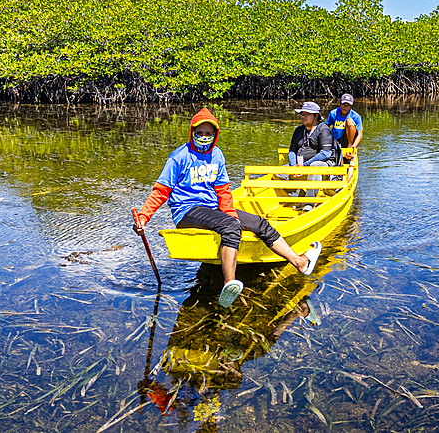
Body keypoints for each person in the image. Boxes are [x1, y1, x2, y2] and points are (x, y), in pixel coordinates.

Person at [133, 108, 322, 308]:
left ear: (215, 135)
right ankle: (229, 283)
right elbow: (161, 191)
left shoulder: (217, 155)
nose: (204, 138)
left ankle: (300, 262)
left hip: (213, 208)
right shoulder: (179, 157)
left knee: (260, 224)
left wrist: (230, 213)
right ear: (192, 133)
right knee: (231, 227)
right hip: (187, 210)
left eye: (208, 134)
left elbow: (223, 190)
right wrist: (144, 218)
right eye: (199, 134)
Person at [289, 102, 335, 208]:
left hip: (322, 165)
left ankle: (309, 201)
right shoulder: (298, 131)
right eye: (302, 114)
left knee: (315, 167)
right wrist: (294, 167)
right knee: (278, 174)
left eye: (306, 114)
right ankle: (298, 193)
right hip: (300, 166)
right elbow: (292, 151)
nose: (303, 116)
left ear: (316, 116)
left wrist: (305, 166)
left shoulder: (324, 130)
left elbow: (325, 153)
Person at [324, 94, 363, 161]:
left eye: (348, 105)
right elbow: (325, 128)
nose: (345, 107)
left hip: (348, 140)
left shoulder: (356, 116)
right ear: (340, 104)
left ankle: (349, 147)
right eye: (343, 104)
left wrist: (352, 147)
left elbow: (360, 134)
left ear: (350, 106)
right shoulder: (333, 113)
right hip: (335, 139)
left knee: (349, 121)